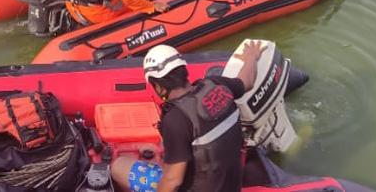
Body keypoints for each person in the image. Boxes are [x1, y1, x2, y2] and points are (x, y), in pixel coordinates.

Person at [110, 42, 266, 192]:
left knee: (118, 166)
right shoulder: (217, 85)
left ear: (158, 86)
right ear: (184, 70)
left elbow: (173, 181)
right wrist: (252, 57)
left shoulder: (176, 119)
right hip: (230, 186)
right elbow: (247, 82)